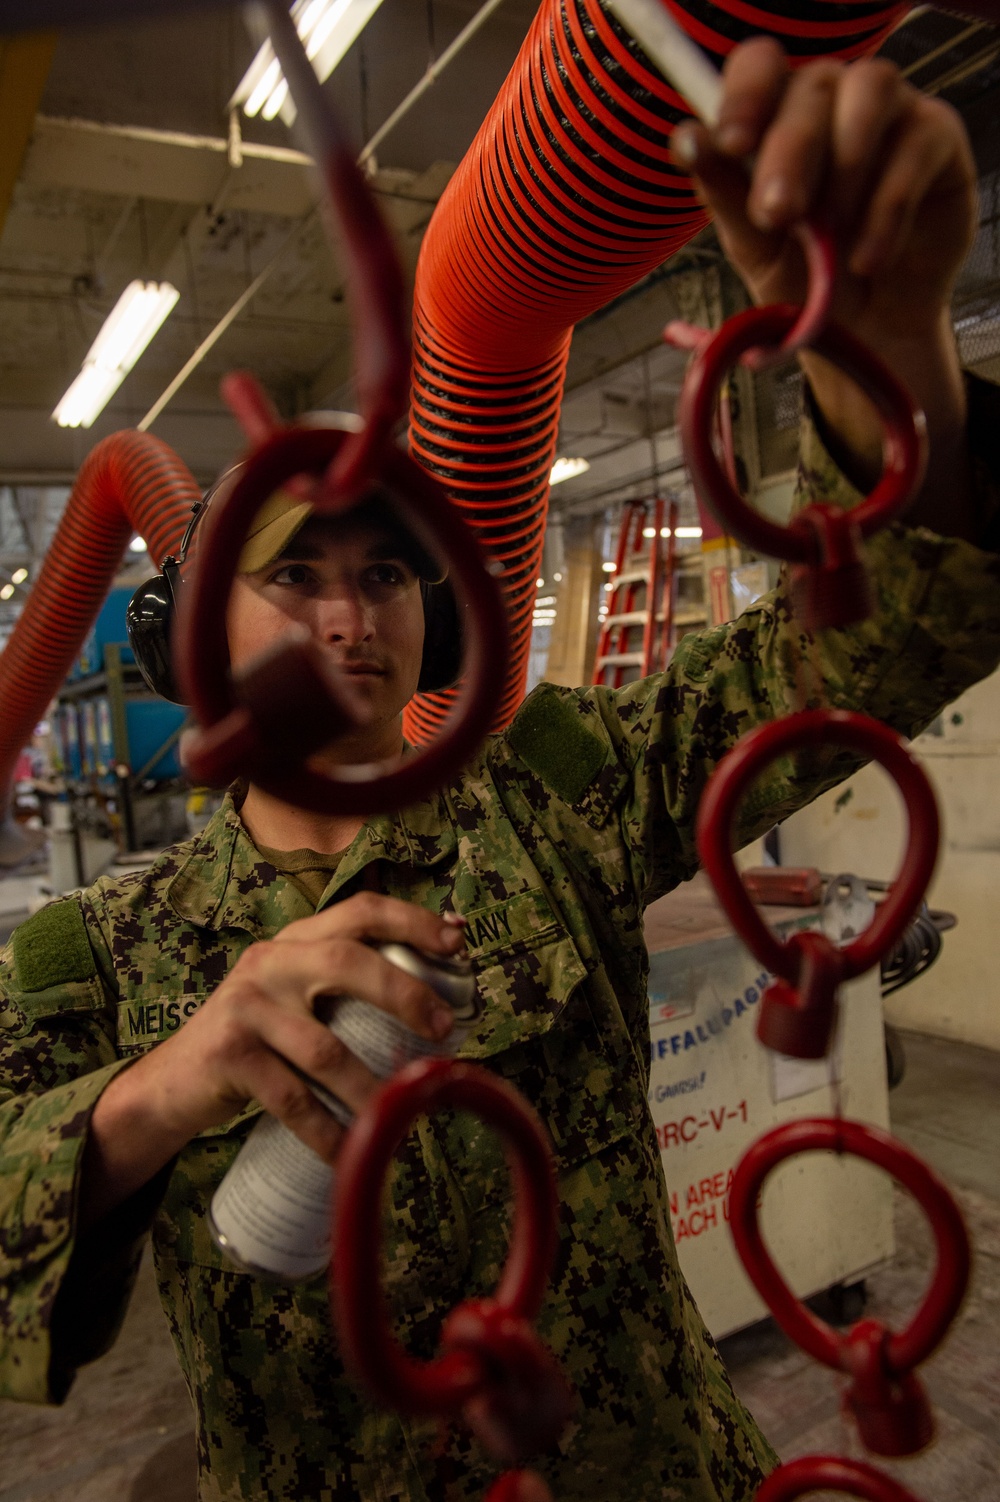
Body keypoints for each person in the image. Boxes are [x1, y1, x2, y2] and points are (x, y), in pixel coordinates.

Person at [2, 40, 999, 1502]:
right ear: (190, 640)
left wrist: (889, 349)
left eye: (387, 571)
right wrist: (173, 1079)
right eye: (297, 579)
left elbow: (854, 654)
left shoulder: (556, 798)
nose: (351, 612)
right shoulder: (98, 953)